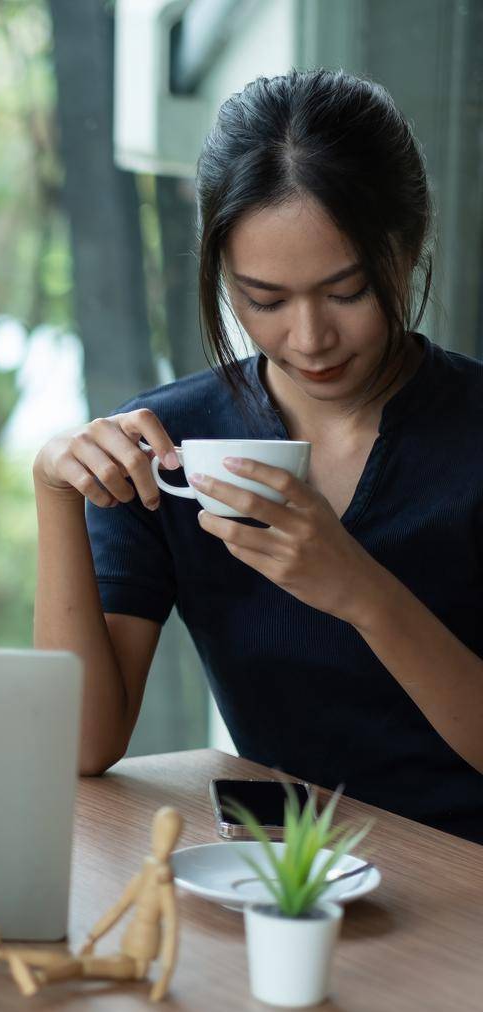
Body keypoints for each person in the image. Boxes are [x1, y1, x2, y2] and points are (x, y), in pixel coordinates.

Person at [32, 68, 483, 843]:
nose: (309, 338)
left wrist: (359, 590)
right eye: (264, 300)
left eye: (347, 291)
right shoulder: (175, 449)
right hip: (279, 877)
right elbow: (81, 745)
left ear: (407, 248)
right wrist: (52, 490)